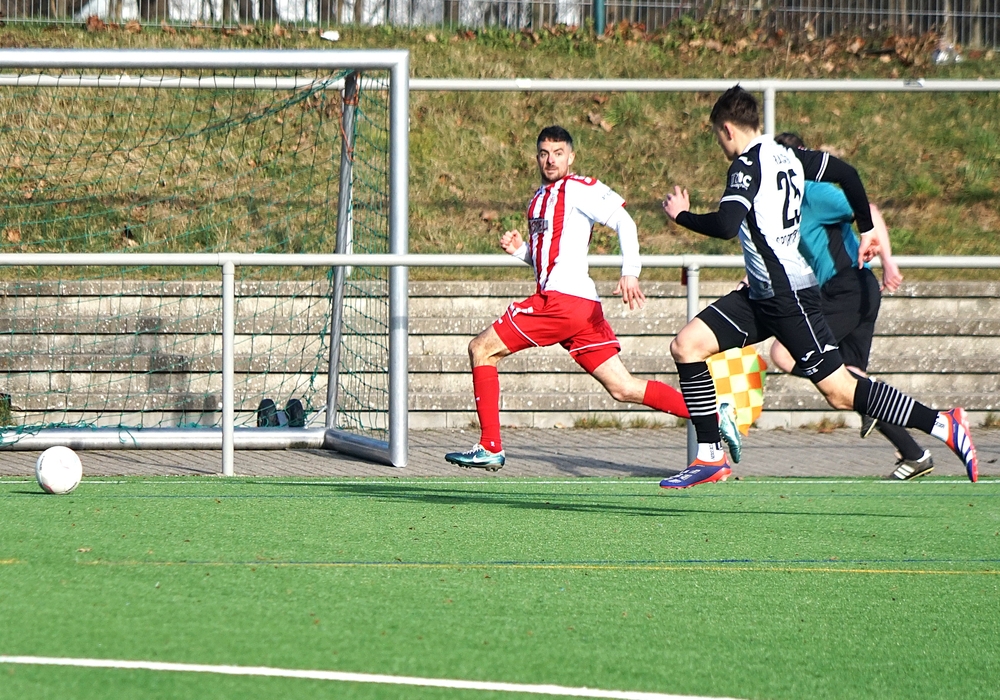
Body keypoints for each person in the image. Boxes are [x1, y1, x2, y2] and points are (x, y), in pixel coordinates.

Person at [660, 86, 977, 489]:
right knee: (687, 346)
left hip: (788, 296)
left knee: (840, 392)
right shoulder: (790, 155)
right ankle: (709, 455)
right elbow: (848, 174)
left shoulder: (746, 165)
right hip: (762, 294)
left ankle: (942, 423)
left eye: (716, 136)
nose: (720, 145)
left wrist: (682, 216)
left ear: (727, 129)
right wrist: (866, 229)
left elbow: (725, 225)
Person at [446, 125, 740, 471]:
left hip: (561, 302)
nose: (550, 160)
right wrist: (521, 251)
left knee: (481, 349)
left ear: (571, 157)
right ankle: (714, 413)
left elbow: (625, 222)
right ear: (537, 157)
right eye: (544, 153)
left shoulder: (578, 188)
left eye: (558, 153)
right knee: (623, 387)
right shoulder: (538, 200)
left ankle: (490, 446)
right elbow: (550, 260)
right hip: (579, 309)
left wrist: (630, 271)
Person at [767, 132, 934, 481]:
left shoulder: (812, 191)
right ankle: (915, 454)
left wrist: (889, 262)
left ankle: (906, 418)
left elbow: (869, 210)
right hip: (850, 292)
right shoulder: (785, 202)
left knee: (783, 353)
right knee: (851, 385)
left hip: (847, 289)